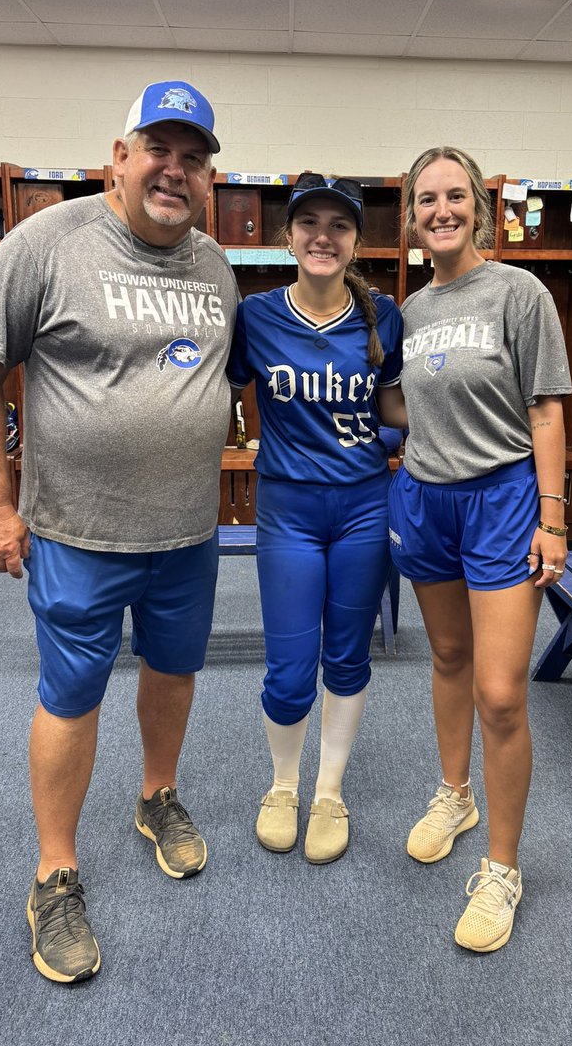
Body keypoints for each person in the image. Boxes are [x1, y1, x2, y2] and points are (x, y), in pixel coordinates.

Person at [0, 81, 239, 984]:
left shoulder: (215, 266)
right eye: (159, 149)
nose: (175, 171)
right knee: (70, 695)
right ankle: (55, 872)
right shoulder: (50, 241)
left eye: (194, 159)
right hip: (78, 533)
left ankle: (159, 797)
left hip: (187, 534)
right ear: (119, 155)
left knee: (174, 673)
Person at [388, 147, 572, 953]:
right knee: (450, 657)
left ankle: (502, 867)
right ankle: (453, 794)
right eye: (426, 199)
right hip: (425, 499)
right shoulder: (412, 309)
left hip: (502, 501)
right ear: (412, 217)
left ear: (480, 208)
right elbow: (402, 404)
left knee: (501, 693)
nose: (441, 210)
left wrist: (554, 518)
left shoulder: (518, 293)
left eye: (455, 196)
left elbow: (546, 411)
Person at [227, 173, 403, 864]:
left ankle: (329, 789)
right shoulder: (258, 315)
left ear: (356, 240)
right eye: (309, 224)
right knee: (291, 667)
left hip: (363, 506)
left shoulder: (383, 315)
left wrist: (410, 435)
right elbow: (217, 387)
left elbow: (395, 409)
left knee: (347, 656)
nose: (322, 237)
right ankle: (282, 785)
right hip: (289, 510)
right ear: (289, 235)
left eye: (339, 225)